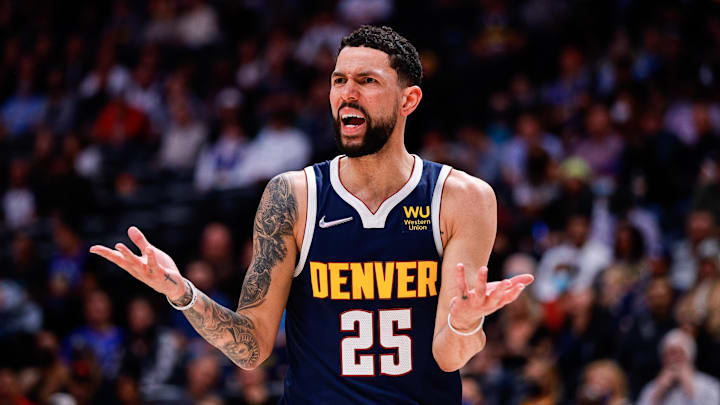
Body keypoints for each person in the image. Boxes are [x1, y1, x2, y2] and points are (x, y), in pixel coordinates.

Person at [90, 25, 534, 404]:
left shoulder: (463, 198)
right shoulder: (293, 197)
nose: (348, 93)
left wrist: (465, 320)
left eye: (367, 81)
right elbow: (253, 347)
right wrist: (181, 292)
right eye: (339, 80)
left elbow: (449, 354)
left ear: (409, 100)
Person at [636, 329, 720, 405]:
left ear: (690, 357)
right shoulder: (651, 388)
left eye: (678, 353)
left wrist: (691, 390)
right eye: (667, 355)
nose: (672, 360)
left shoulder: (709, 386)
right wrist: (658, 392)